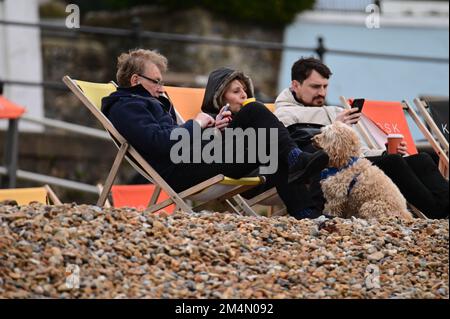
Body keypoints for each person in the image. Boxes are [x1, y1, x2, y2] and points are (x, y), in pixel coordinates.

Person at [101, 49, 329, 218]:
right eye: (157, 82)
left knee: (268, 142)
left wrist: (211, 129)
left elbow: (174, 137)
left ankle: (304, 211)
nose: (162, 88)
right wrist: (197, 123)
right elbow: (160, 143)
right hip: (181, 169)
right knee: (253, 109)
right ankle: (296, 159)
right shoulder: (127, 107)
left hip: (195, 158)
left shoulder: (148, 102)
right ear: (135, 80)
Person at [274, 57, 449, 219]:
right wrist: (336, 129)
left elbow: (357, 150)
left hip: (355, 165)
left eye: (325, 87)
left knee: (421, 159)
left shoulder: (333, 111)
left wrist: (383, 150)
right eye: (315, 87)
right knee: (394, 162)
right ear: (295, 85)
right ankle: (437, 214)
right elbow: (302, 148)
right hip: (332, 170)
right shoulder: (284, 114)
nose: (322, 93)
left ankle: (445, 207)